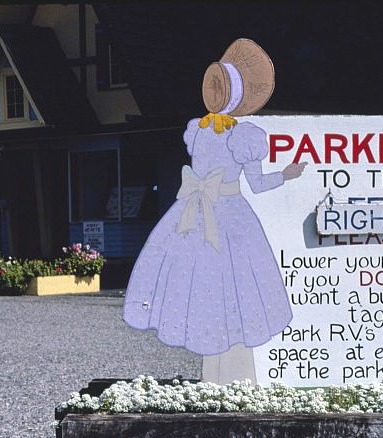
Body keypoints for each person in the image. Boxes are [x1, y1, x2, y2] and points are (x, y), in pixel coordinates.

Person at [123, 39, 305, 384]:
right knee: (223, 290)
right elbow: (258, 185)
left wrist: (283, 175)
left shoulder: (218, 132)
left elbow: (242, 181)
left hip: (207, 217)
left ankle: (229, 378)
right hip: (217, 218)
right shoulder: (221, 132)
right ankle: (226, 379)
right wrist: (287, 174)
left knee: (219, 289)